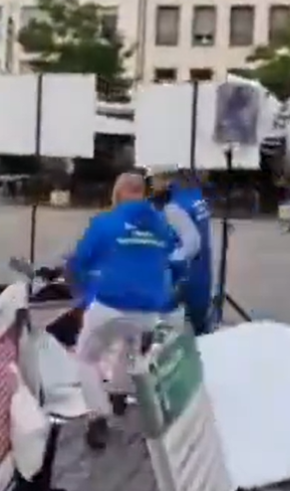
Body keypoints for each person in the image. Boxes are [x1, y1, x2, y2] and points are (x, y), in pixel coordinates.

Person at [66, 172, 181, 450]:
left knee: (86, 356)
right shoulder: (162, 224)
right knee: (132, 345)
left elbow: (80, 261)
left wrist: (79, 281)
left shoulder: (105, 222)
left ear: (117, 195)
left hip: (111, 304)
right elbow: (173, 257)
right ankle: (119, 393)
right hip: (150, 310)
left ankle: (98, 416)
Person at [151, 167, 214, 335]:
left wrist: (168, 259)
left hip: (185, 279)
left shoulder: (174, 206)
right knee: (201, 329)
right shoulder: (196, 197)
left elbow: (192, 244)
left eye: (154, 178)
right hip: (203, 275)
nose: (151, 184)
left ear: (167, 180)